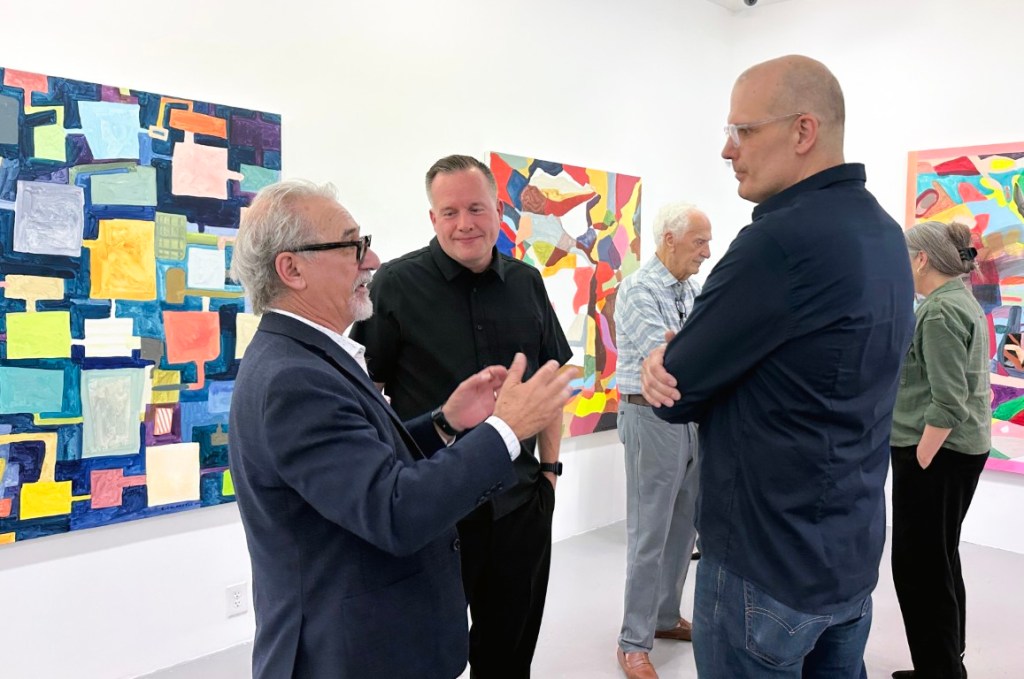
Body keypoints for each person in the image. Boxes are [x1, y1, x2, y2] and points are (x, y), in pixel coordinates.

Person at [227, 179, 572, 679]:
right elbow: (394, 510)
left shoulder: (303, 357)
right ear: (292, 269)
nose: (371, 260)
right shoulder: (293, 379)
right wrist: (505, 428)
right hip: (349, 652)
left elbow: (364, 464)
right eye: (353, 246)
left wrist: (444, 423)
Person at [639, 55, 915, 677]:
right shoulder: (884, 233)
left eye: (743, 130)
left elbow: (677, 391)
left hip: (764, 564)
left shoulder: (777, 243)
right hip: (848, 556)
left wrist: (663, 356)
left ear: (802, 131)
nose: (727, 150)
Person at [350, 154, 572, 678]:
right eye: (449, 212)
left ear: (498, 211)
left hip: (519, 506)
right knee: (427, 658)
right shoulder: (394, 284)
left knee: (509, 657)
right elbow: (369, 394)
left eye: (476, 208)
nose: (464, 223)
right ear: (433, 218)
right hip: (435, 510)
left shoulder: (527, 282)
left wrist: (549, 473)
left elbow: (549, 384)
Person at [612, 202, 711, 679]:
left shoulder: (690, 289)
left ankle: (666, 616)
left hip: (691, 417)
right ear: (669, 239)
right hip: (649, 417)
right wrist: (700, 348)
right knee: (649, 532)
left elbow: (702, 347)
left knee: (684, 526)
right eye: (699, 242)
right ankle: (633, 641)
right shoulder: (638, 289)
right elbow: (668, 357)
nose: (706, 252)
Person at [890, 221, 990, 679]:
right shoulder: (957, 300)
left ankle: (939, 671)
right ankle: (944, 666)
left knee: (920, 568)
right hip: (957, 451)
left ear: (921, 259)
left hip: (937, 454)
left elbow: (949, 401)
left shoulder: (939, 311)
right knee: (940, 559)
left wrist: (921, 458)